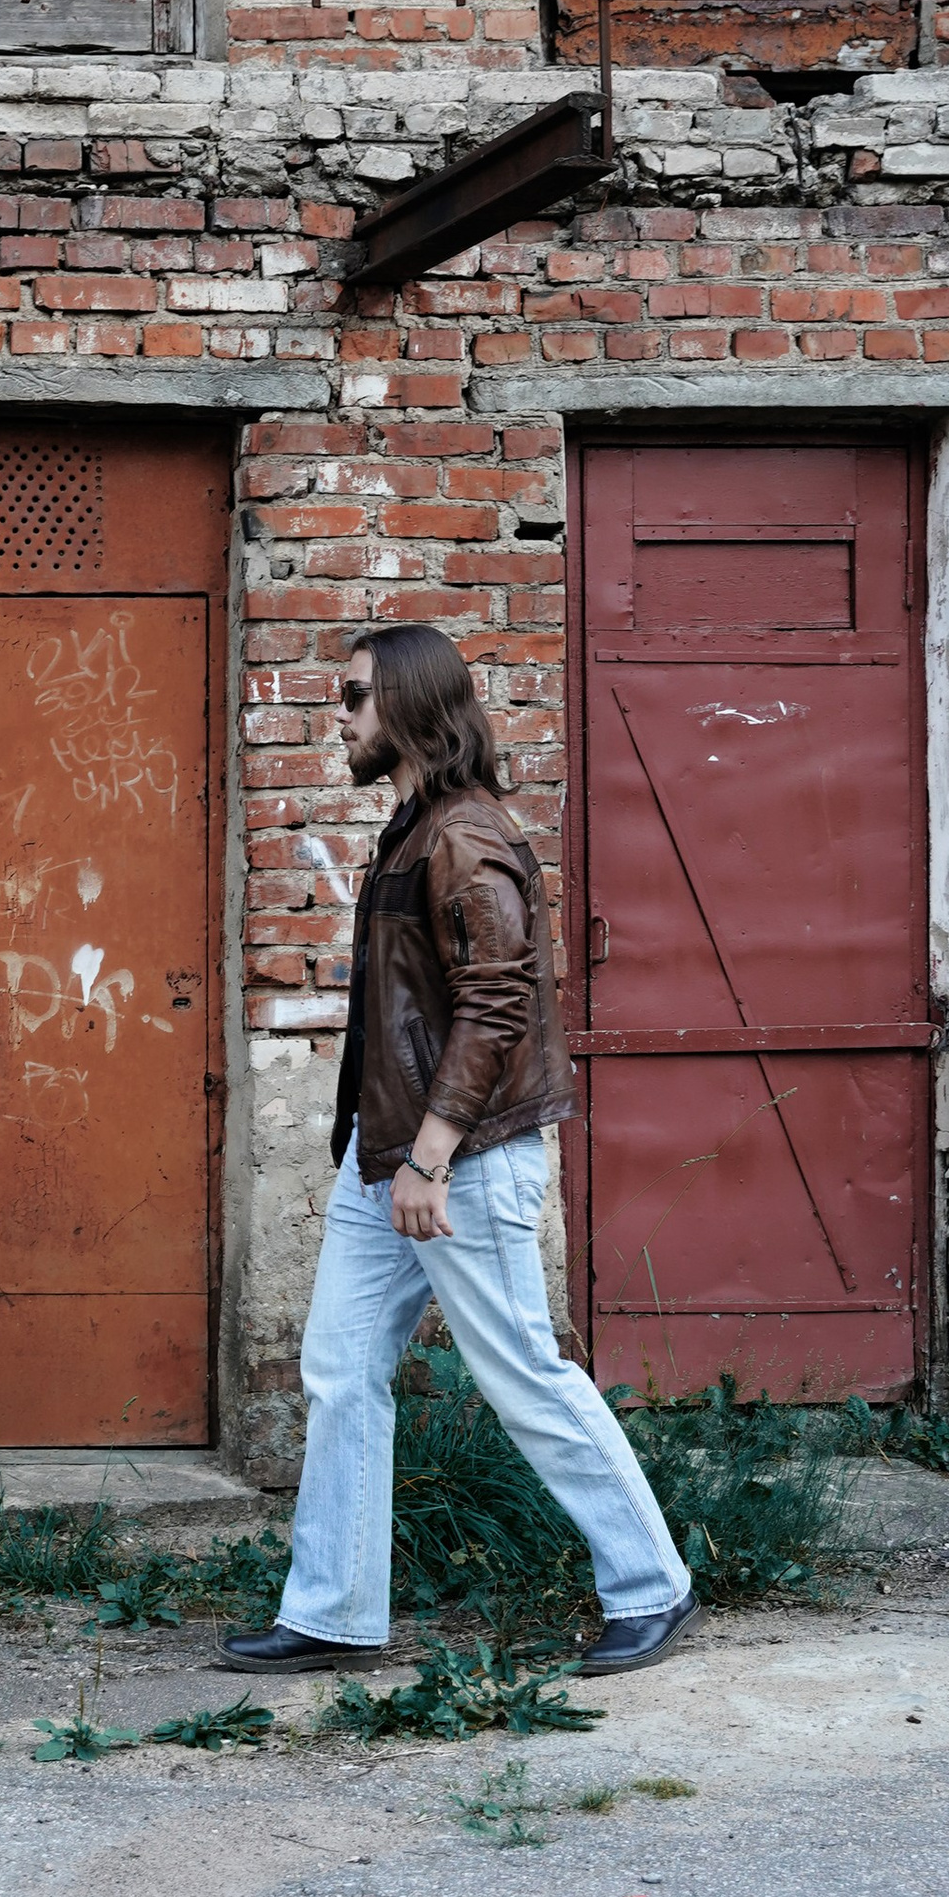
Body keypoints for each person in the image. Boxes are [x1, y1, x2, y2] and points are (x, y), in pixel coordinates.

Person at [224, 621, 695, 1681]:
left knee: (523, 1371)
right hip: (387, 1157)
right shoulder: (412, 827)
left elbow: (497, 1003)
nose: (336, 718)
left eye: (351, 699)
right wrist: (394, 1157)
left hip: (457, 1158)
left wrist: (431, 1158)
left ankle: (651, 1585)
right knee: (342, 1370)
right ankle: (336, 1609)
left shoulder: (464, 836)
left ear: (407, 707)